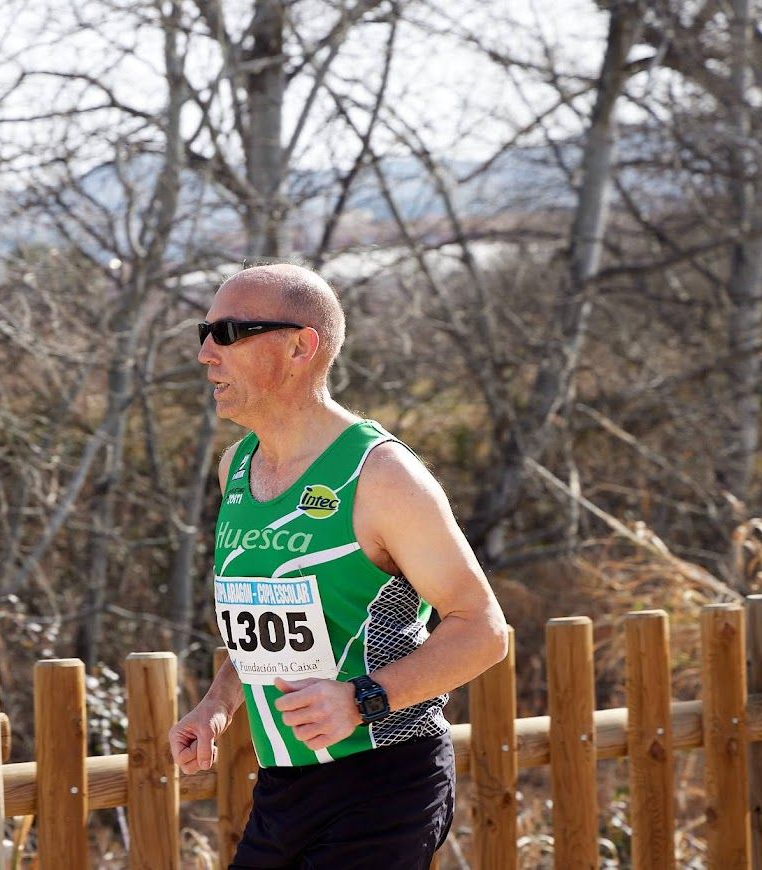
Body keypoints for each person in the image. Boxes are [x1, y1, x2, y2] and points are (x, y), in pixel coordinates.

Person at [169, 263, 509, 869]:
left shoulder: (381, 476)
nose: (205, 354)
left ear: (302, 346)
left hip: (383, 778)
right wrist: (220, 703)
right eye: (205, 331)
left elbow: (482, 630)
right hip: (284, 785)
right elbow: (268, 626)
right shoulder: (236, 468)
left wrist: (360, 700)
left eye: (229, 333)